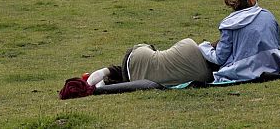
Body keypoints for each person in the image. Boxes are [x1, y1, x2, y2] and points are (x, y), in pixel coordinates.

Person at [198, 0, 280, 82]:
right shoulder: (268, 15)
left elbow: (220, 58)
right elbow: (277, 43)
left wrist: (204, 47)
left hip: (241, 71)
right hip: (273, 66)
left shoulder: (229, 24)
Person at [83, 38, 215, 88]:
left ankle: (103, 74)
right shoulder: (204, 77)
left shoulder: (190, 45)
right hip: (141, 79)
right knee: (140, 71)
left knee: (149, 55)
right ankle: (104, 82)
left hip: (135, 56)